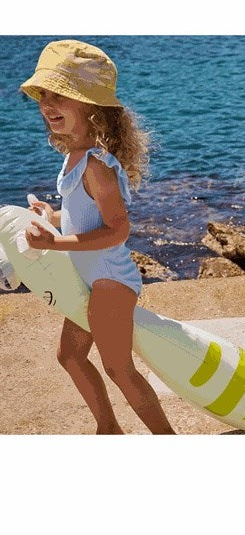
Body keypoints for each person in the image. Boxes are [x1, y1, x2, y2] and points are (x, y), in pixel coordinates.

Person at [21, 39, 176, 433]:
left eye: (60, 95)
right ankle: (108, 428)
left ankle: (166, 438)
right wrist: (52, 216)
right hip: (90, 280)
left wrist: (54, 243)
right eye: (43, 96)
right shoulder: (74, 157)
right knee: (70, 356)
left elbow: (118, 229)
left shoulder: (96, 165)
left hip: (109, 281)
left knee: (119, 368)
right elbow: (82, 217)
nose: (48, 105)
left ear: (90, 106)